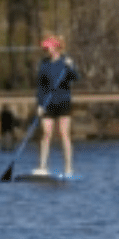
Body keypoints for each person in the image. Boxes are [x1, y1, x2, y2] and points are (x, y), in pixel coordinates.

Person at [34, 34, 80, 178]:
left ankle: (68, 169)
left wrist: (70, 66)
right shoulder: (44, 64)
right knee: (46, 134)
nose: (46, 51)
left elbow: (75, 77)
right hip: (48, 103)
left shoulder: (65, 62)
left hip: (63, 102)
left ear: (55, 48)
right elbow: (40, 86)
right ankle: (42, 167)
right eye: (45, 49)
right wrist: (40, 104)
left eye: (48, 48)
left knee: (64, 134)